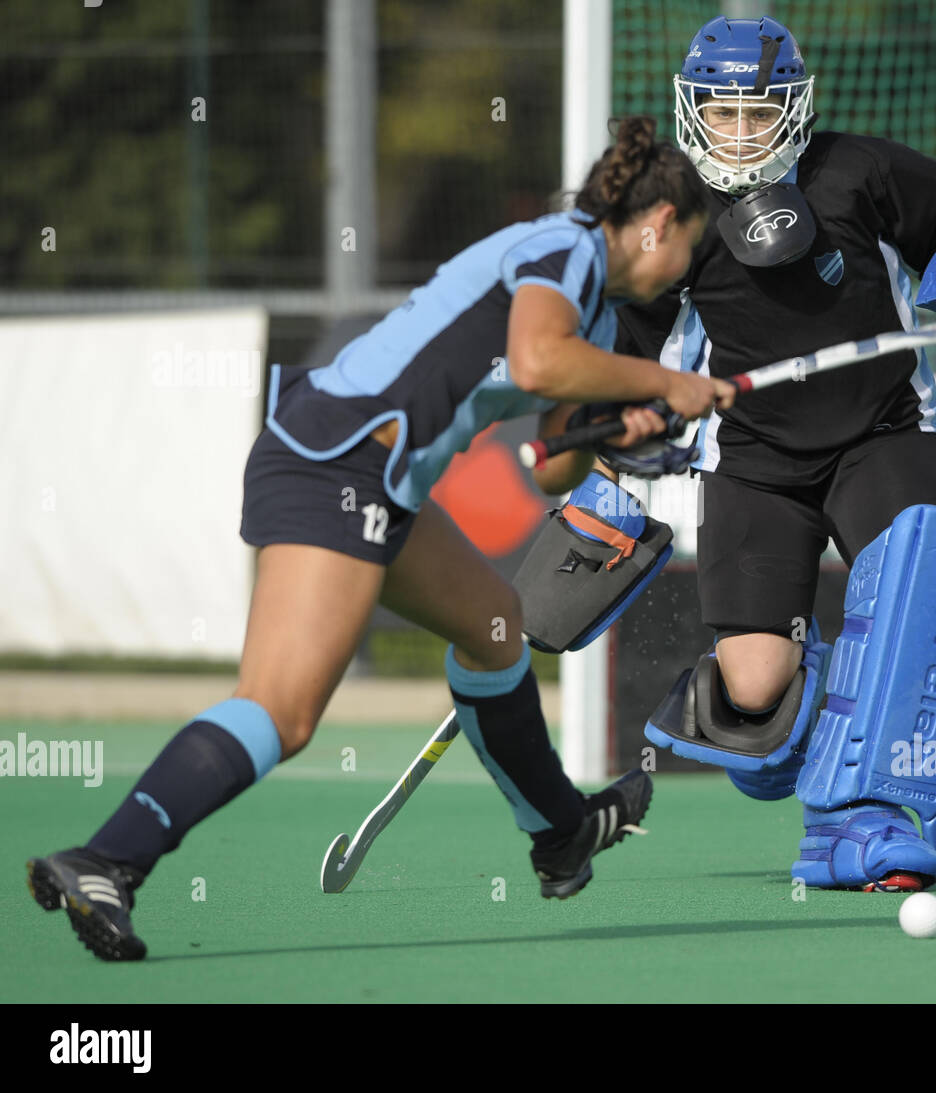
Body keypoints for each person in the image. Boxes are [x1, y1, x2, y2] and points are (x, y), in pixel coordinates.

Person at [26, 116, 736, 961]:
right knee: (282, 711)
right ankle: (107, 858)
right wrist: (667, 381)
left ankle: (561, 832)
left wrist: (627, 426)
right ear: (657, 225)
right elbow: (539, 362)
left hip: (378, 478)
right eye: (686, 249)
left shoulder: (600, 323)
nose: (683, 270)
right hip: (335, 457)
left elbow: (549, 465)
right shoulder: (565, 248)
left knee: (494, 624)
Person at [623, 16, 936, 892]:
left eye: (759, 112)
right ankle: (805, 709)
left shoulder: (863, 172)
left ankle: (861, 822)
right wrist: (622, 429)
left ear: (794, 108)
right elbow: (631, 351)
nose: (740, 132)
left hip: (888, 430)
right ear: (693, 112)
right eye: (722, 113)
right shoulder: (672, 218)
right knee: (756, 698)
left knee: (906, 622)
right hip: (753, 454)